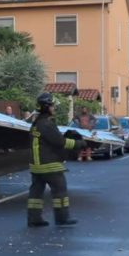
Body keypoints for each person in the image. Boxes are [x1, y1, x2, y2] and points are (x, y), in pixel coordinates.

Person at [28, 92, 87, 227]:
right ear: (46, 107)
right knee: (60, 192)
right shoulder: (47, 124)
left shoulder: (35, 124)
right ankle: (62, 218)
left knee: (35, 194)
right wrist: (79, 144)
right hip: (50, 165)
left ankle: (34, 219)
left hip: (36, 167)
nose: (54, 108)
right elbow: (60, 142)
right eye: (53, 106)